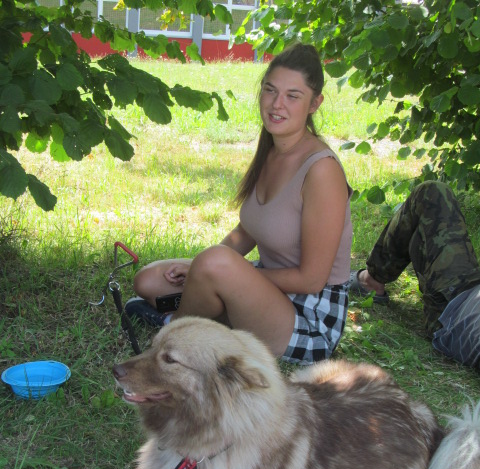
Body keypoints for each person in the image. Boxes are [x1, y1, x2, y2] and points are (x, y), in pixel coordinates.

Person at [125, 44, 353, 365]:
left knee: (214, 264)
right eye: (270, 90)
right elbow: (247, 232)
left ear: (315, 103)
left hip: (309, 317)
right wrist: (201, 269)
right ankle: (210, 321)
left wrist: (216, 271)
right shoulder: (272, 151)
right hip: (267, 290)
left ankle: (175, 334)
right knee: (149, 281)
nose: (276, 104)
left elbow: (311, 279)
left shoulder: (322, 170)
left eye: (293, 96)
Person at [349, 181, 480, 370]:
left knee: (429, 195)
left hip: (455, 309)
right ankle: (374, 278)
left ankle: (371, 281)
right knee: (433, 193)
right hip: (471, 291)